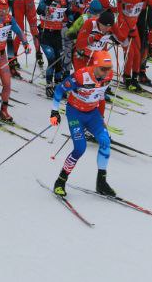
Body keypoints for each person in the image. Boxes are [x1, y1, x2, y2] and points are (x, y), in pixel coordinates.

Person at [50, 49, 115, 198]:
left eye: (108, 69)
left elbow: (101, 97)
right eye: (103, 69)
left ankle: (101, 182)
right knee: (80, 148)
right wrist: (54, 112)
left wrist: (101, 118)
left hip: (93, 114)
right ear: (95, 65)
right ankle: (60, 181)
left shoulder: (109, 76)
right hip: (75, 113)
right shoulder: (81, 76)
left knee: (105, 141)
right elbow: (59, 90)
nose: (106, 73)